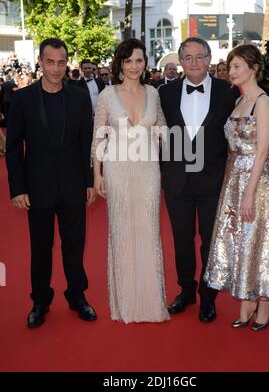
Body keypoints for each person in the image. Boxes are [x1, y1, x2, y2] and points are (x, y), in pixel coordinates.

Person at [204, 44, 269, 331]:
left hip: (255, 182)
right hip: (234, 178)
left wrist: (249, 193)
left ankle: (263, 303)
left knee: (259, 240)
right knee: (241, 241)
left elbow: (260, 152)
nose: (230, 72)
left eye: (236, 66)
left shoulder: (263, 102)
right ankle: (249, 299)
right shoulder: (238, 101)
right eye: (229, 66)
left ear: (254, 69)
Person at [5, 38, 97, 328]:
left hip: (72, 186)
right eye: (50, 62)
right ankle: (40, 301)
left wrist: (89, 181)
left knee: (74, 246)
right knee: (40, 248)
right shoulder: (22, 99)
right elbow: (13, 147)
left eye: (61, 62)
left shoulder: (80, 97)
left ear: (66, 63)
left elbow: (86, 144)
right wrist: (17, 187)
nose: (56, 68)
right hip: (37, 187)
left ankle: (77, 296)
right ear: (40, 63)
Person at [159, 37, 240, 322]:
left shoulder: (227, 91)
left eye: (200, 56)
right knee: (182, 239)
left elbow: (244, 125)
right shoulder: (164, 93)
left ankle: (208, 295)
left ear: (209, 58)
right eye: (188, 57)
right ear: (180, 61)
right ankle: (186, 291)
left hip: (212, 181)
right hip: (176, 181)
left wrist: (268, 142)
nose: (194, 63)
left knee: (209, 240)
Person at [91, 38, 169, 324]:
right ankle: (125, 300)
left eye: (139, 60)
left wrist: (154, 143)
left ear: (145, 63)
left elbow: (161, 127)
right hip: (117, 168)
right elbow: (98, 135)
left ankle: (149, 300)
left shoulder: (153, 93)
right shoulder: (107, 95)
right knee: (122, 229)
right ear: (120, 64)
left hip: (148, 168)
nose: (135, 66)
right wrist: (97, 173)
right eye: (129, 61)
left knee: (148, 229)